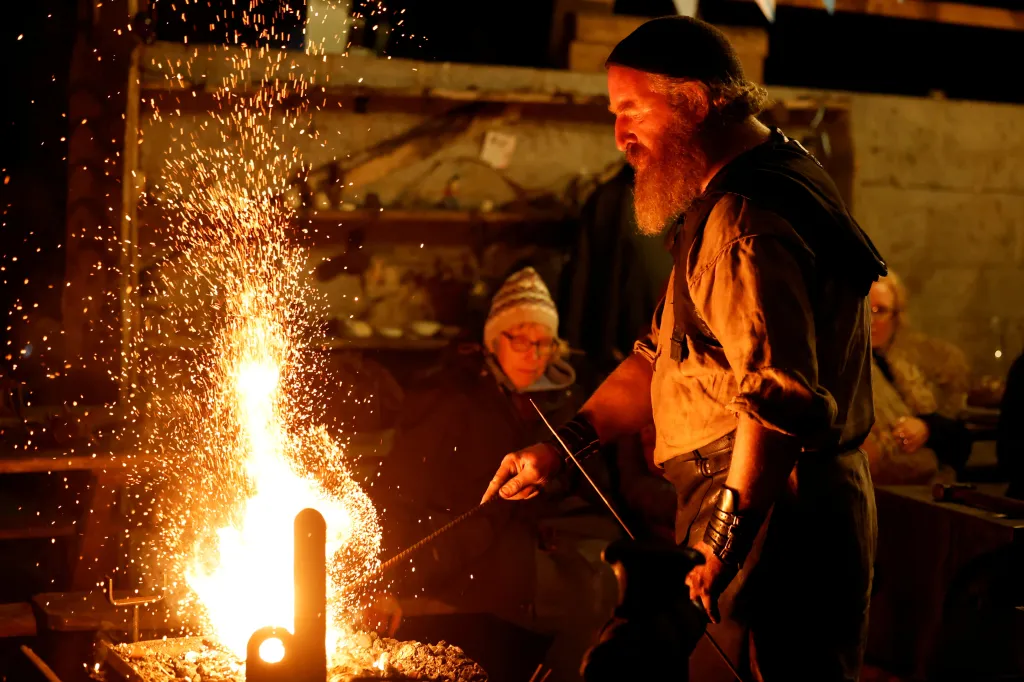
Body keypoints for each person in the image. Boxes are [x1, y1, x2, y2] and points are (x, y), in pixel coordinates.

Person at [482, 16, 887, 682]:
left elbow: (777, 403)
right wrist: (562, 449)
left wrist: (720, 546)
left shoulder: (743, 221)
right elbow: (659, 358)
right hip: (757, 505)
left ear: (696, 102)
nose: (621, 135)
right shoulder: (753, 187)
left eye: (632, 111)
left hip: (768, 513)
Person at [370, 266, 595, 682]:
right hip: (461, 565)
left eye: (544, 342)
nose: (533, 354)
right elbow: (399, 490)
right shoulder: (452, 399)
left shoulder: (565, 404)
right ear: (494, 340)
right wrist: (386, 581)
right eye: (520, 339)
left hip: (540, 566)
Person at [866, 273, 972, 481]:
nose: (870, 320)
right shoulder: (844, 369)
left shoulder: (922, 365)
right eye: (863, 310)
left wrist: (926, 428)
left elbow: (957, 436)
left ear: (896, 315)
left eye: (880, 311)